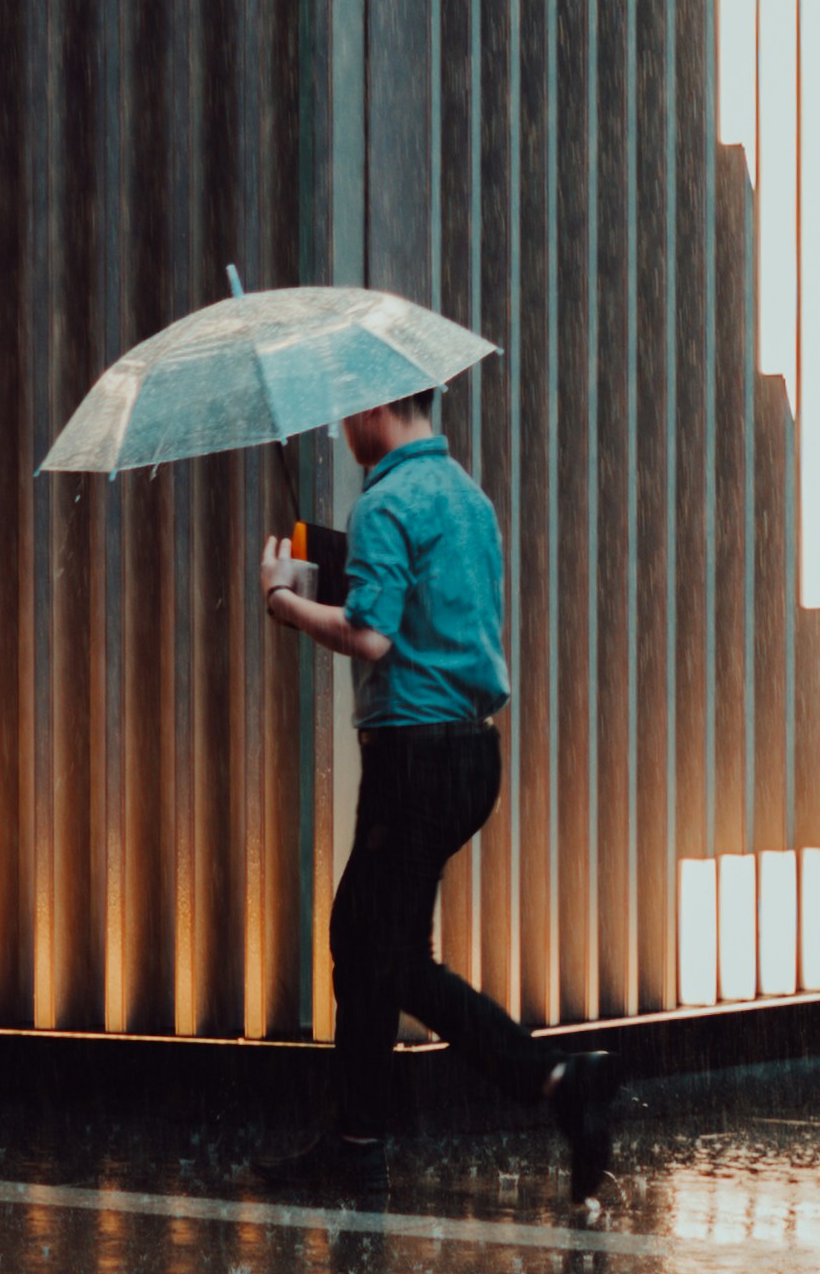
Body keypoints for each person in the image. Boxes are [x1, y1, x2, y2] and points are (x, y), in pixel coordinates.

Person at [258, 393, 616, 1202]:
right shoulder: (466, 495)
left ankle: (558, 1078)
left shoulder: (386, 501)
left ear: (380, 407)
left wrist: (284, 601)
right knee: (362, 932)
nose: (341, 429)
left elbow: (371, 634)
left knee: (387, 957)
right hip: (469, 756)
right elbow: (432, 607)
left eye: (347, 414)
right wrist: (337, 563)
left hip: (411, 761)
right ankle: (355, 1140)